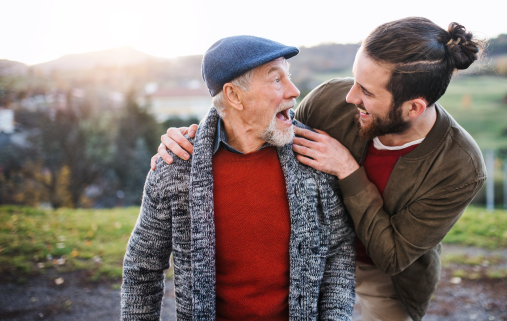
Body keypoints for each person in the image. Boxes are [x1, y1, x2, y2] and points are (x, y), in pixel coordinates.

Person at [153, 18, 487, 321]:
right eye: (355, 80)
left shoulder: (460, 166)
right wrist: (192, 143)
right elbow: (262, 127)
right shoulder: (331, 99)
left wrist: (348, 169)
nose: (350, 96)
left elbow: (393, 256)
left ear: (413, 107)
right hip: (312, 253)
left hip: (388, 277)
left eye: (367, 92)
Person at [122, 36, 356, 321]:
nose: (294, 91)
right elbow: (142, 268)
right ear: (234, 95)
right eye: (276, 80)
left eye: (289, 77)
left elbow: (339, 255)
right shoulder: (176, 167)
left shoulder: (314, 156)